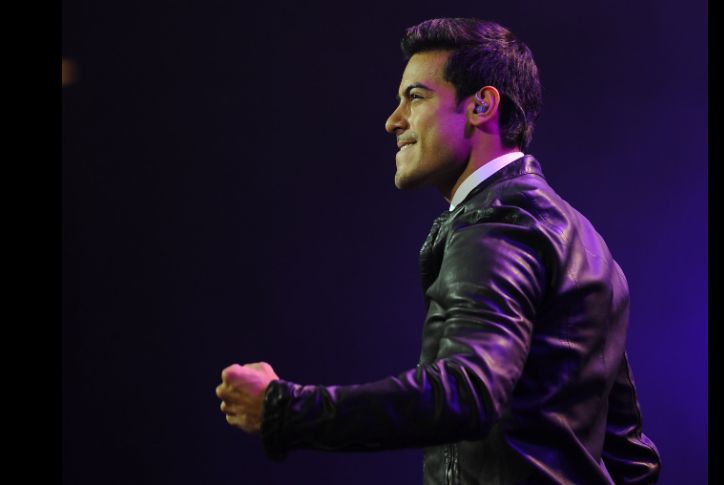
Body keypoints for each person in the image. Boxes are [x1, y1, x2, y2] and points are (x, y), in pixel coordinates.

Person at [216, 17, 661, 484]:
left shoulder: (496, 223)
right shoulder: (584, 241)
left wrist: (283, 409)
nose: (394, 121)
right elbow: (629, 456)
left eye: (415, 97)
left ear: (481, 105)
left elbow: (467, 392)